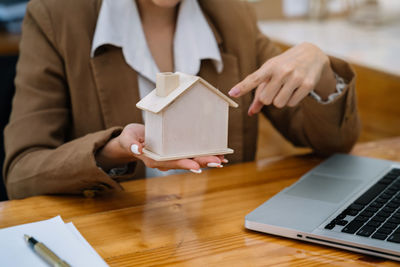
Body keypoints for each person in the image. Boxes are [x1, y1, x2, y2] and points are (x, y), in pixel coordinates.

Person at [3, 0, 360, 199]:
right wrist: (110, 151)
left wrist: (319, 65)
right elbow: (21, 173)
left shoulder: (232, 14)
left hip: (220, 236)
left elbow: (330, 143)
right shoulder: (56, 15)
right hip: (117, 239)